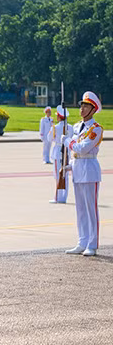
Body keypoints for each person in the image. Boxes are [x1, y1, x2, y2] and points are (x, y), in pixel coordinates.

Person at [64, 92, 103, 257]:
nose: (82, 108)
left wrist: (67, 141)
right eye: (81, 105)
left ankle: (92, 244)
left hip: (90, 170)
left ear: (93, 110)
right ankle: (82, 241)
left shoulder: (96, 129)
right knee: (80, 209)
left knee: (90, 210)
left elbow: (82, 148)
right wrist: (69, 166)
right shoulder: (77, 126)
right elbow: (76, 153)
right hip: (79, 169)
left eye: (86, 106)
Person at [50, 106, 73, 204]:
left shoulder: (56, 127)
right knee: (65, 175)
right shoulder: (70, 127)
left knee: (58, 175)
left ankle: (58, 197)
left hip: (58, 151)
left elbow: (49, 138)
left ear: (59, 117)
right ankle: (64, 197)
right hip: (66, 151)